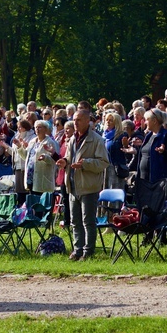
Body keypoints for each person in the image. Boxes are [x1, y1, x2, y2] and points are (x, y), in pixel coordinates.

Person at [56, 110, 109, 261]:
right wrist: (65, 162)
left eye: (79, 120)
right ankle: (77, 249)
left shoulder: (97, 140)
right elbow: (69, 157)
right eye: (74, 120)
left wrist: (86, 164)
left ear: (87, 121)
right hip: (72, 185)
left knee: (88, 221)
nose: (75, 123)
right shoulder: (73, 138)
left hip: (88, 186)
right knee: (75, 221)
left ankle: (88, 251)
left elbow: (104, 162)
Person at [135, 109, 167, 196]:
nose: (145, 122)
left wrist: (164, 152)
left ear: (154, 121)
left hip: (158, 184)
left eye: (147, 120)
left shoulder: (166, 136)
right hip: (145, 181)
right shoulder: (149, 136)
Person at [24, 121, 60, 194]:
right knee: (32, 202)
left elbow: (55, 161)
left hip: (42, 179)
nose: (37, 129)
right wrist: (19, 147)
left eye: (40, 127)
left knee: (42, 203)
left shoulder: (50, 142)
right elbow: (26, 157)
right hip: (30, 177)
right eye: (36, 127)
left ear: (45, 129)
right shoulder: (32, 142)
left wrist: (45, 158)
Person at [102, 112, 129, 193]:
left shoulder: (122, 135)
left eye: (111, 120)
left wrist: (125, 145)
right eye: (107, 120)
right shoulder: (104, 135)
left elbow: (126, 150)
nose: (108, 122)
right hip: (105, 166)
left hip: (115, 167)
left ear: (116, 122)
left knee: (114, 189)